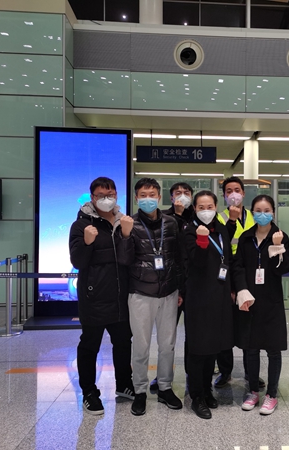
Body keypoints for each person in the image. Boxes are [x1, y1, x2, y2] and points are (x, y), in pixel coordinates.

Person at [68, 176, 134, 415]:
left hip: (120, 297)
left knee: (123, 343)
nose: (107, 199)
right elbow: (78, 262)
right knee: (90, 346)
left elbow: (129, 259)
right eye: (101, 195)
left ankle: (124, 384)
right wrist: (87, 242)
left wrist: (126, 235)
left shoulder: (123, 221)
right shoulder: (81, 225)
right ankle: (89, 392)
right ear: (92, 197)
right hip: (94, 296)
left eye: (110, 194)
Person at [123, 177, 184, 416]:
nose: (148, 199)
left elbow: (178, 258)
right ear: (136, 198)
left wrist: (180, 289)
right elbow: (124, 260)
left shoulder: (171, 223)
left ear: (159, 197)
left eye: (152, 195)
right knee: (141, 345)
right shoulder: (129, 223)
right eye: (143, 195)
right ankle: (139, 390)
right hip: (141, 293)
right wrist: (125, 235)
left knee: (167, 345)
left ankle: (165, 387)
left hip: (169, 292)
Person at [232, 195, 289, 415]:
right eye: (258, 210)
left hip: (271, 300)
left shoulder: (281, 236)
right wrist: (241, 290)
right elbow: (237, 266)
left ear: (273, 212)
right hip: (250, 299)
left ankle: (272, 394)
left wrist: (276, 247)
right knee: (251, 347)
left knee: (273, 349)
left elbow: (283, 269)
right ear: (252, 212)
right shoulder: (246, 237)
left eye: (267, 210)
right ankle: (253, 391)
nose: (262, 214)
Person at [183, 191, 234, 419]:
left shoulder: (221, 229)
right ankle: (196, 396)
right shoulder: (189, 231)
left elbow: (227, 260)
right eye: (201, 207)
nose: (206, 211)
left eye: (210, 206)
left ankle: (206, 390)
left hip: (219, 295)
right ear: (194, 209)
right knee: (198, 349)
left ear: (216, 207)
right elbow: (196, 263)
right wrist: (202, 241)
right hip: (198, 297)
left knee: (213, 347)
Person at [215, 176, 265, 390]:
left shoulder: (256, 216)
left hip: (250, 276)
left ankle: (250, 372)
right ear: (224, 195)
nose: (233, 194)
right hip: (226, 276)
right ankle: (225, 371)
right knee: (224, 326)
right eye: (229, 191)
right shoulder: (218, 218)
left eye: (237, 190)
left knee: (249, 326)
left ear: (243, 193)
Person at [146, 182, 195, 394]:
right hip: (171, 286)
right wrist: (177, 215)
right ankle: (162, 376)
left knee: (194, 335)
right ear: (171, 197)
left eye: (186, 193)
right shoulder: (164, 219)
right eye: (178, 193)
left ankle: (194, 376)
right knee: (167, 337)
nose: (182, 196)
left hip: (194, 286)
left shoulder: (198, 218)